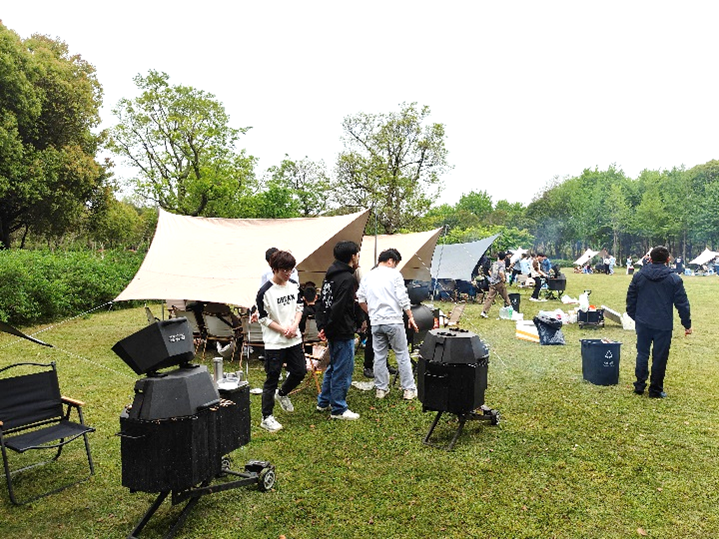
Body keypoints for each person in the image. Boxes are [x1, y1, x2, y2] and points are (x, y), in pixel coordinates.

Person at [626, 245, 692, 398]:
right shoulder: (674, 279)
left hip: (643, 322)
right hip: (663, 324)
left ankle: (639, 385)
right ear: (668, 260)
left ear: (650, 259)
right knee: (660, 357)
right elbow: (682, 303)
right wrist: (687, 324)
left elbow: (630, 299)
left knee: (642, 353)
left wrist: (636, 317)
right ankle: (655, 389)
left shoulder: (639, 276)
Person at [357, 248, 419, 400]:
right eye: (395, 263)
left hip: (376, 322)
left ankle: (381, 389)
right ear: (391, 261)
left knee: (379, 356)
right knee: (402, 354)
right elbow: (403, 298)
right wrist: (410, 316)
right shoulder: (394, 274)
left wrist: (371, 313)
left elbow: (360, 299)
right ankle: (409, 389)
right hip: (394, 321)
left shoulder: (367, 276)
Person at [255, 250, 307, 432]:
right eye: (285, 270)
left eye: (291, 270)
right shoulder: (264, 292)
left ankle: (283, 393)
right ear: (274, 269)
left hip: (294, 339)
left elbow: (300, 307)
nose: (288, 274)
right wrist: (283, 330)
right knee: (272, 377)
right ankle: (267, 417)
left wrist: (294, 326)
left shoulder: (293, 285)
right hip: (275, 342)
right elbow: (263, 318)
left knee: (300, 371)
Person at [315, 240, 362, 420]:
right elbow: (339, 307)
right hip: (341, 329)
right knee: (343, 369)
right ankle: (339, 408)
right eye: (357, 254)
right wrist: (328, 327)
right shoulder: (347, 279)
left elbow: (322, 303)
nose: (358, 257)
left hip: (332, 328)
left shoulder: (330, 276)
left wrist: (323, 326)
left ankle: (324, 401)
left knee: (333, 366)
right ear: (352, 256)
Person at [480, 251, 512, 319]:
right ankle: (511, 309)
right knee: (505, 296)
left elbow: (489, 271)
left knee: (489, 298)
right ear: (504, 257)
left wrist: (492, 277)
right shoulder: (502, 264)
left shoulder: (495, 263)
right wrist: (503, 278)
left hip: (493, 282)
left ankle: (484, 312)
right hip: (499, 282)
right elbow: (501, 272)